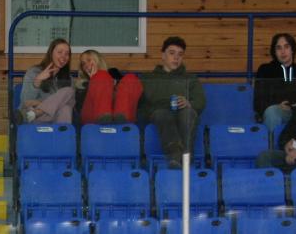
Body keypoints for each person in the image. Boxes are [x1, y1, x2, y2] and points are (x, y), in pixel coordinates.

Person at [138, 36, 207, 168]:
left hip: (182, 112)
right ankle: (177, 156)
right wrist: (152, 111)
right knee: (162, 114)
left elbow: (201, 101)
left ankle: (185, 155)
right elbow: (141, 105)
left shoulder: (190, 79)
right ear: (163, 55)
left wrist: (189, 103)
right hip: (159, 114)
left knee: (188, 113)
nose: (176, 57)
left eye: (180, 54)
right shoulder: (148, 79)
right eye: (172, 53)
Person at [253, 32, 296, 145]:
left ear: (293, 49)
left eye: (286, 47)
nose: (283, 51)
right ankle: (273, 153)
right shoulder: (265, 70)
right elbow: (259, 101)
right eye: (279, 48)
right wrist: (278, 105)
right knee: (272, 112)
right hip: (277, 112)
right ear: (274, 52)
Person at [75, 49, 143, 126]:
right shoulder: (81, 84)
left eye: (89, 60)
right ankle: (103, 119)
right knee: (101, 77)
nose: (86, 65)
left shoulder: (113, 75)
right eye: (83, 63)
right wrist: (93, 81)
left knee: (131, 78)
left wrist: (113, 87)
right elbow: (80, 107)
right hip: (92, 119)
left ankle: (122, 119)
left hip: (117, 114)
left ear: (98, 61)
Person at [17, 38, 75, 124]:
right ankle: (36, 113)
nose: (64, 56)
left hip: (52, 116)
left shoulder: (69, 79)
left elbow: (71, 103)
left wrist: (40, 104)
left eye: (67, 54)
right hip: (33, 118)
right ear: (51, 53)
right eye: (60, 52)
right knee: (67, 98)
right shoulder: (34, 71)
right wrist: (38, 80)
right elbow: (25, 101)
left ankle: (38, 112)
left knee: (66, 105)